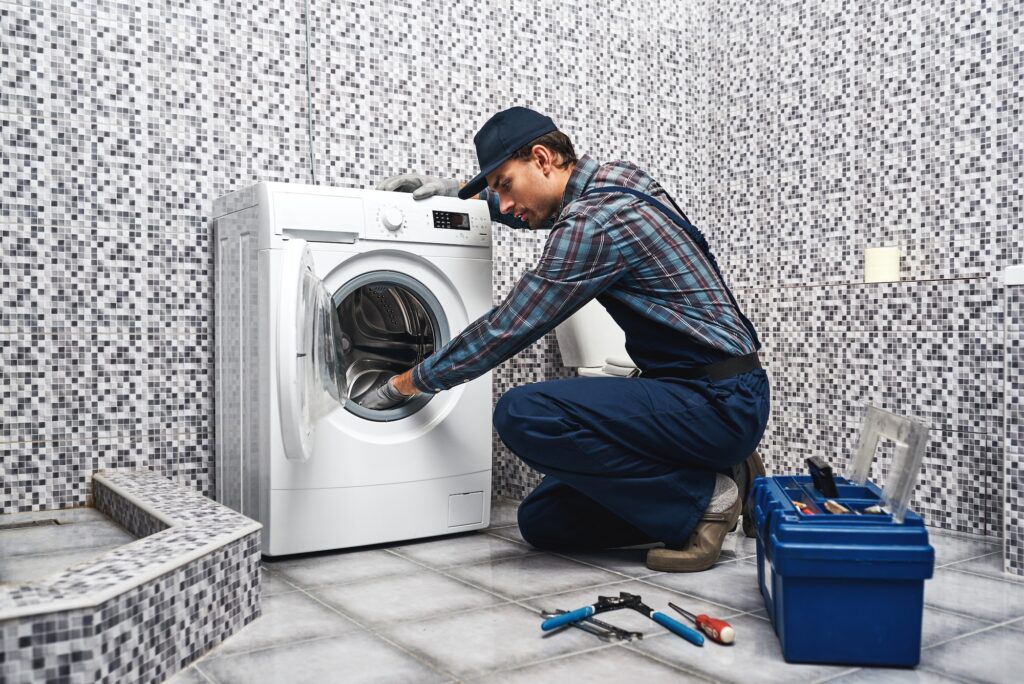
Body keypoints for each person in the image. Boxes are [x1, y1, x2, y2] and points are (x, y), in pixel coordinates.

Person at [372, 106, 769, 571]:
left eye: (503, 185)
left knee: (524, 413)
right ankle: (721, 474)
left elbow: (508, 327)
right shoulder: (619, 179)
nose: (503, 205)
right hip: (702, 395)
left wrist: (408, 382)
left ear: (542, 159)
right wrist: (463, 196)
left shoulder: (593, 223)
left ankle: (707, 497)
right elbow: (535, 210)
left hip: (717, 400)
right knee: (543, 521)